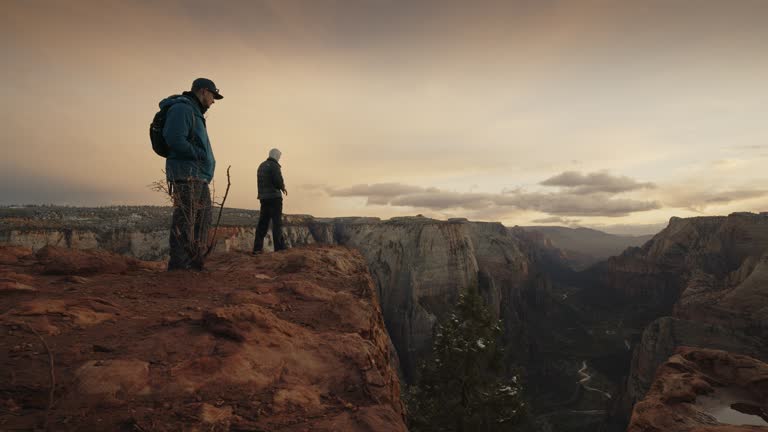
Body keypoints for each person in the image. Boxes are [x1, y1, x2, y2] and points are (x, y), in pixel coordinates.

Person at [161, 78, 223, 270]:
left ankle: (195, 262)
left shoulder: (194, 111)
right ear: (203, 91)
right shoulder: (183, 109)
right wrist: (200, 155)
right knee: (186, 219)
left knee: (202, 219)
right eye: (213, 96)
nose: (213, 101)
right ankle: (179, 266)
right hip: (187, 174)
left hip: (198, 175)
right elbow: (173, 138)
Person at [253, 148, 287, 254]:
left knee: (263, 222)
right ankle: (279, 249)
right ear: (275, 155)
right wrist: (283, 187)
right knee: (277, 223)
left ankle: (257, 249)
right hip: (274, 198)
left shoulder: (261, 166)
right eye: (279, 156)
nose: (279, 158)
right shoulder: (274, 166)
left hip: (263, 198)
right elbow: (277, 181)